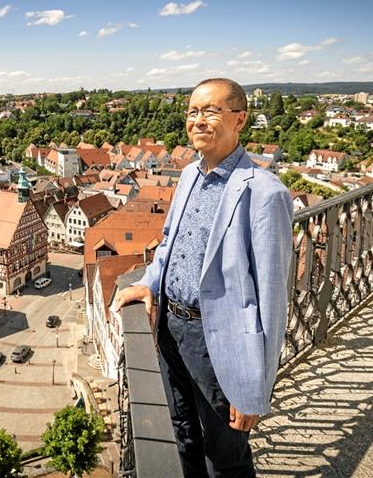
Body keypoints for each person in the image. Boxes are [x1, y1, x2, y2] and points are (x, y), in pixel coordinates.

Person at [114, 78, 293, 477]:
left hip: (220, 343)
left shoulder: (265, 193)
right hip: (170, 327)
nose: (198, 120)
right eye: (193, 111)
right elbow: (168, 244)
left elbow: (274, 299)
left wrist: (257, 388)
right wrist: (150, 281)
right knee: (184, 438)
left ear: (240, 119)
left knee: (225, 458)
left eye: (211, 110)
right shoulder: (189, 176)